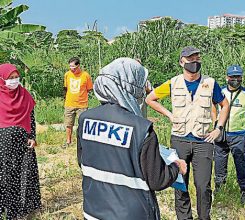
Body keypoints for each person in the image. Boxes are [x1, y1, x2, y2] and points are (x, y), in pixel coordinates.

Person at [77, 58, 187, 220]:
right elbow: (157, 180)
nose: (143, 89)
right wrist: (177, 167)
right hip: (132, 213)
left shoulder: (85, 119)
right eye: (142, 83)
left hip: (94, 210)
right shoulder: (141, 129)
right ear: (131, 86)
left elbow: (82, 161)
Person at [146, 46, 230, 220]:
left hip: (203, 140)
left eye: (197, 58)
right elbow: (150, 99)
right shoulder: (173, 82)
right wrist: (169, 114)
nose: (194, 62)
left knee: (203, 185)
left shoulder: (211, 83)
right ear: (181, 62)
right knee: (180, 184)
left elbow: (225, 105)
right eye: (190, 59)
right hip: (179, 139)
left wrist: (218, 128)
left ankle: (204, 217)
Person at [212, 64, 245, 204]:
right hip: (221, 134)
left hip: (238, 135)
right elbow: (212, 106)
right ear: (227, 77)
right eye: (233, 77)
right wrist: (214, 122)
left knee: (241, 163)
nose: (235, 79)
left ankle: (244, 191)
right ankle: (219, 189)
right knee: (219, 163)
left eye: (238, 77)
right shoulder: (220, 91)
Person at [0, 64, 41, 219]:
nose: (14, 81)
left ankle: (22, 208)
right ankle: (4, 207)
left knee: (23, 173)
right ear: (2, 79)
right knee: (4, 175)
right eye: (10, 78)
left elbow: (31, 118)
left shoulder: (24, 94)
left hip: (22, 143)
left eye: (16, 77)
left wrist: (33, 137)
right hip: (2, 145)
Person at [63, 57, 93, 147]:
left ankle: (82, 142)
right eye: (70, 67)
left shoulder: (85, 75)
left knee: (82, 124)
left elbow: (89, 89)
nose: (72, 69)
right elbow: (65, 88)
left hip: (82, 105)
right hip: (69, 103)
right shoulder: (67, 75)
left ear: (78, 65)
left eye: (74, 67)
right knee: (68, 124)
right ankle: (68, 141)